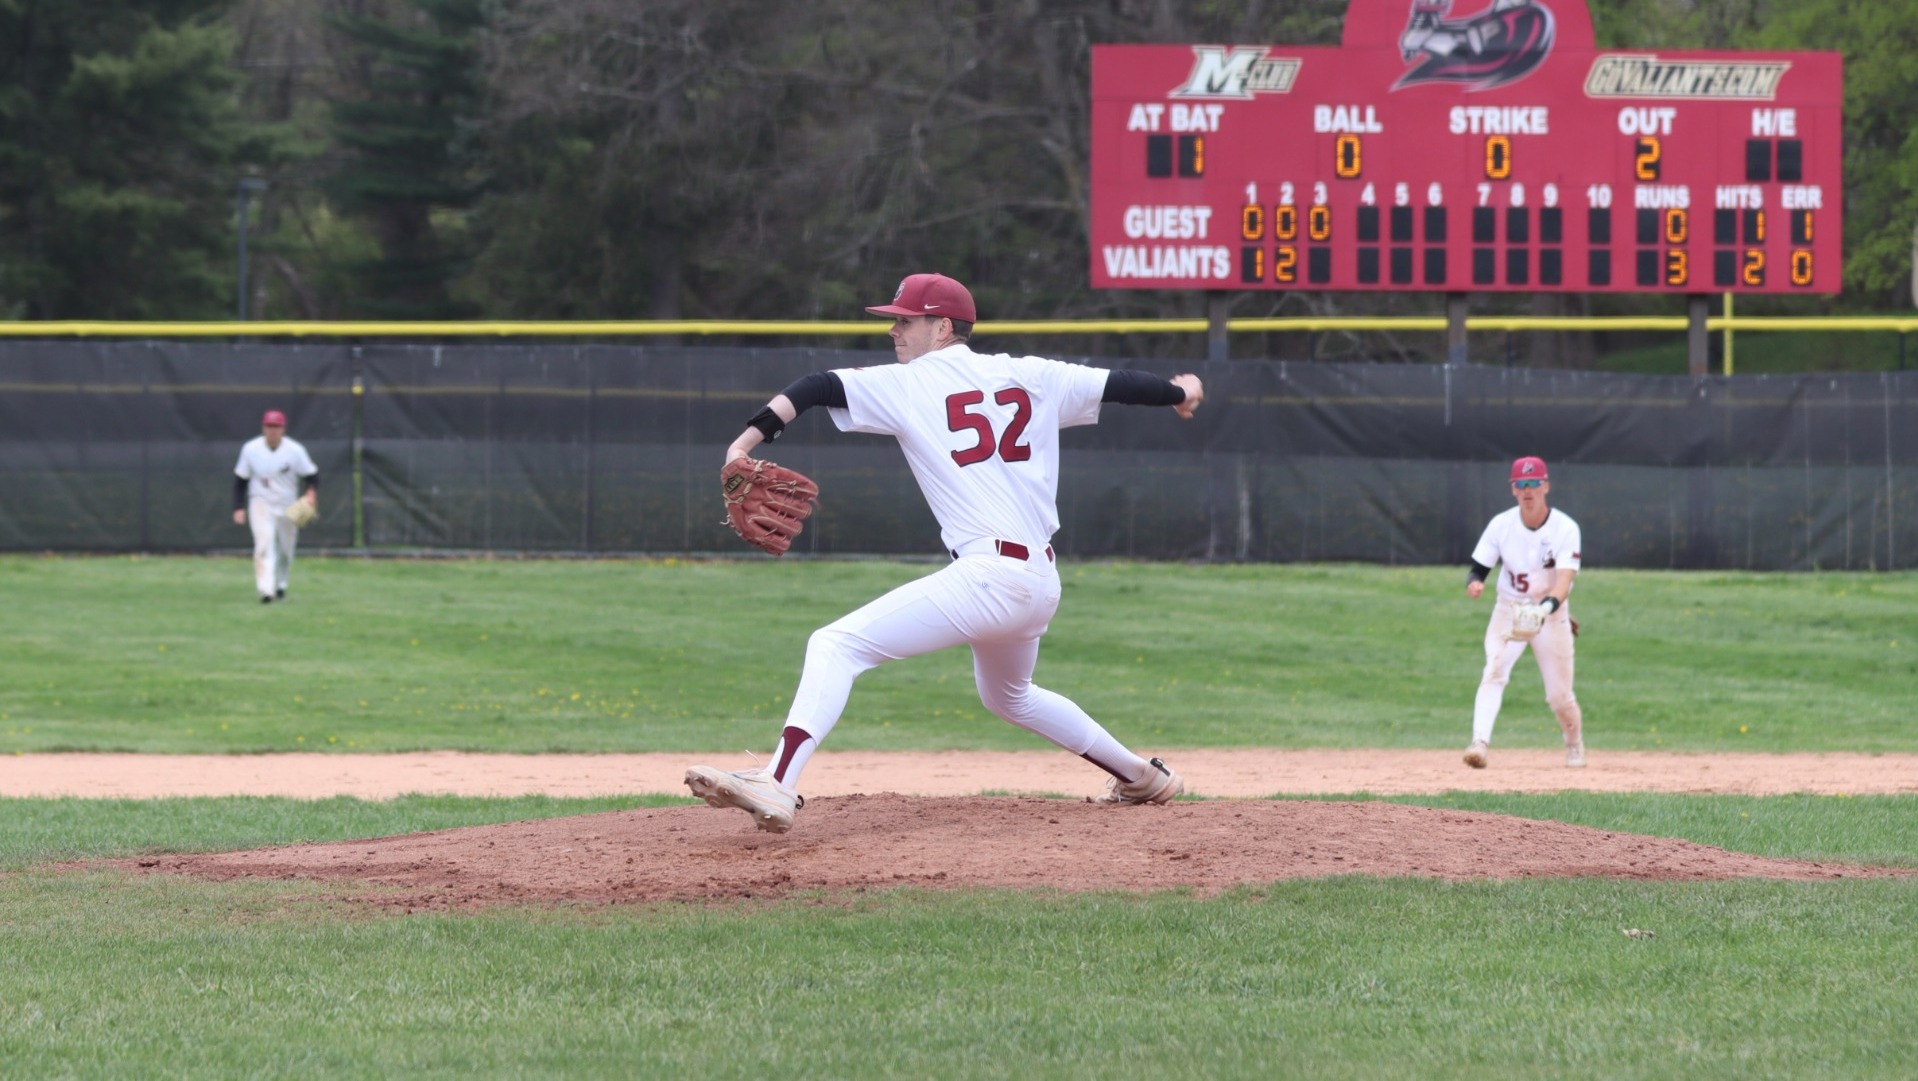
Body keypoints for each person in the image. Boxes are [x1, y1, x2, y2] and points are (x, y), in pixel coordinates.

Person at [685, 272, 1204, 833]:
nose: (893, 331)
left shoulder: (909, 383)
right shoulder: (1033, 374)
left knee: (835, 644)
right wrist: (1180, 393)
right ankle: (1141, 777)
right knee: (1009, 697)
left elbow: (814, 387)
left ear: (943, 328)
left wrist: (742, 445)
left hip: (989, 577)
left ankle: (777, 781)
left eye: (905, 321)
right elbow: (1123, 384)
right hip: (1039, 581)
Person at [1462, 455, 1585, 768]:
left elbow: (1564, 582)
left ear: (1546, 486)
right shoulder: (1501, 525)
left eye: (1533, 482)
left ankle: (1573, 743)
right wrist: (1475, 582)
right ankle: (1479, 743)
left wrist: (1545, 609)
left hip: (1551, 615)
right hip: (1510, 609)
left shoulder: (1565, 528)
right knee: (1494, 670)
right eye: (1521, 484)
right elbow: (1479, 568)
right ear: (1513, 489)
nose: (1527, 489)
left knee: (1559, 697)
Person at [232, 409, 319, 604]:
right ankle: (266, 590)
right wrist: (238, 507)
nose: (272, 430)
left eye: (276, 426)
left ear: (283, 429)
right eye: (269, 426)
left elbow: (312, 475)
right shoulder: (251, 449)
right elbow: (240, 480)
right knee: (264, 545)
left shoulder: (295, 450)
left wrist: (311, 493)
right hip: (261, 502)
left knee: (286, 549)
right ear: (263, 428)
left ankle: (280, 585)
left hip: (288, 504)